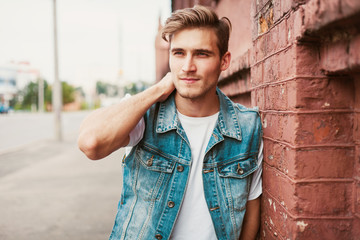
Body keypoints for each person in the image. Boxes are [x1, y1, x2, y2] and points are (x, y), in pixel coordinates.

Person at [78, 5, 263, 240]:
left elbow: (251, 214)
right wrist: (159, 89)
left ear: (224, 61)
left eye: (201, 54)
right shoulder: (144, 114)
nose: (187, 67)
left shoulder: (247, 128)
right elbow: (90, 143)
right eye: (178, 53)